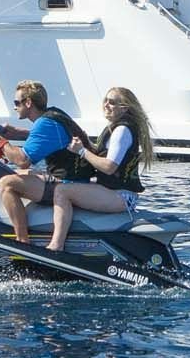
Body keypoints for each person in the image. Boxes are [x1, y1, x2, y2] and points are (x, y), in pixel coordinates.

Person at [48, 87, 156, 252]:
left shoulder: (122, 130)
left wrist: (82, 151)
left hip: (121, 196)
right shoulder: (117, 128)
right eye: (105, 100)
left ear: (124, 108)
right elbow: (105, 156)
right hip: (116, 192)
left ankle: (56, 245)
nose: (106, 105)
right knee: (67, 183)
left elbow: (109, 166)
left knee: (62, 191)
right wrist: (86, 144)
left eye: (112, 102)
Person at [0, 80, 89, 244]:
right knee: (15, 174)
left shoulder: (45, 124)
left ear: (28, 103)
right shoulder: (54, 115)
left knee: (7, 183)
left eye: (17, 103)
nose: (14, 107)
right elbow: (47, 138)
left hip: (69, 184)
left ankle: (22, 242)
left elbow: (22, 160)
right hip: (72, 178)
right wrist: (17, 133)